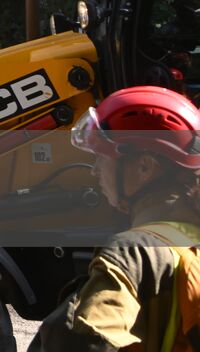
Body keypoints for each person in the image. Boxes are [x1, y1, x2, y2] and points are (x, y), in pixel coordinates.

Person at [30, 86, 200, 351]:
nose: (95, 170)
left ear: (144, 166)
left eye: (102, 156)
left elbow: (84, 342)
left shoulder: (133, 253)